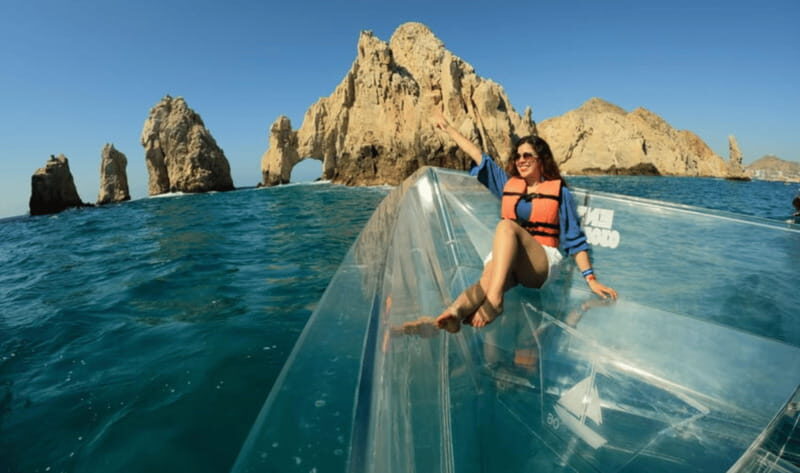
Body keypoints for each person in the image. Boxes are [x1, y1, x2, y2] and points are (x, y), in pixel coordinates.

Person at [432, 110, 617, 333]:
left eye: (527, 155)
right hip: (510, 260)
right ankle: (454, 312)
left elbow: (575, 240)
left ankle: (494, 301)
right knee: (487, 280)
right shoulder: (508, 185)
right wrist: (448, 128)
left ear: (541, 160)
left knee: (505, 226)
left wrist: (591, 280)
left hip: (541, 263)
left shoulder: (560, 193)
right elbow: (481, 157)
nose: (521, 160)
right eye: (517, 156)